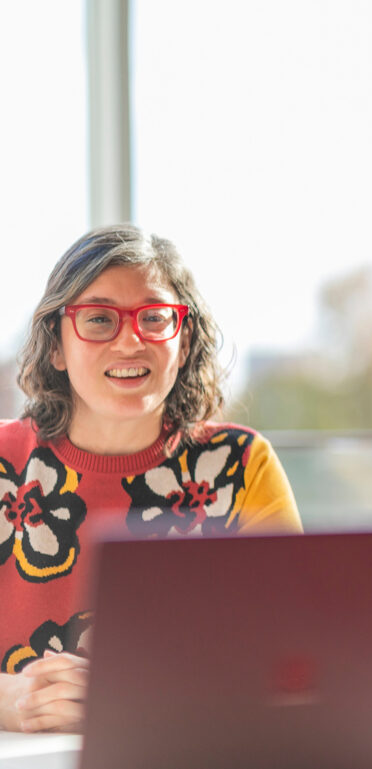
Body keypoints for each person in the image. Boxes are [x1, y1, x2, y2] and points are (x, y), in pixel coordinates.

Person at [0, 225, 302, 733]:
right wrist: (7, 699)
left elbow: (298, 659)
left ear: (183, 343)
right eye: (98, 319)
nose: (129, 340)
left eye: (155, 318)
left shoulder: (244, 465)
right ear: (56, 347)